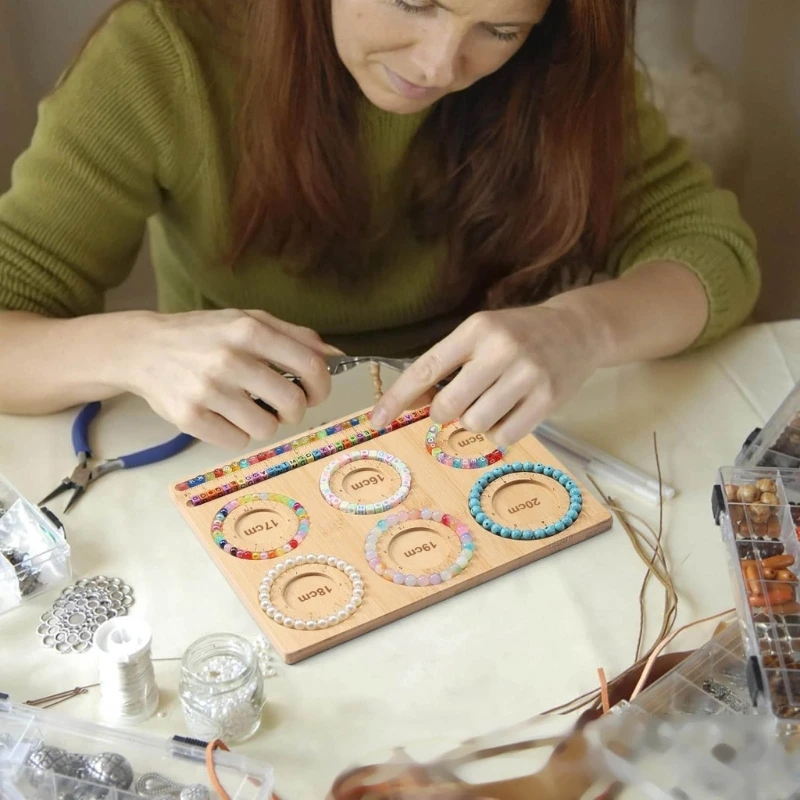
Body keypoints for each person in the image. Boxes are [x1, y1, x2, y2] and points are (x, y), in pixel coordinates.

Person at [0, 0, 759, 451]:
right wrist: (135, 348)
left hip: (472, 427)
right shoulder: (163, 50)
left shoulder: (561, 63)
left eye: (499, 29)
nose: (438, 64)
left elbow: (711, 252)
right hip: (242, 431)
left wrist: (583, 328)